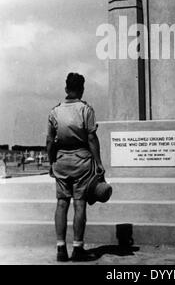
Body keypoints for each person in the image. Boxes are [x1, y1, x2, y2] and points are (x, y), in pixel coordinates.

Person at [46, 73, 104, 262]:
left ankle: (61, 248)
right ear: (82, 89)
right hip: (82, 162)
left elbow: (49, 140)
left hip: (61, 162)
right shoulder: (86, 109)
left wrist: (50, 162)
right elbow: (91, 138)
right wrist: (99, 163)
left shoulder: (55, 111)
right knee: (80, 204)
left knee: (62, 204)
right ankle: (78, 248)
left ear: (66, 89)